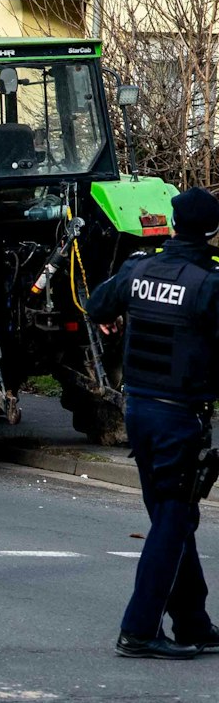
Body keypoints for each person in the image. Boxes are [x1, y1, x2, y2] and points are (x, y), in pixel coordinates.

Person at [86, 187, 219, 659]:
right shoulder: (209, 282)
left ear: (173, 224)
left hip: (139, 410)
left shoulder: (140, 267)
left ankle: (192, 621)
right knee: (173, 518)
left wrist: (112, 318)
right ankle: (139, 629)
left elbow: (96, 306)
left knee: (172, 516)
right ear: (212, 231)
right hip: (179, 415)